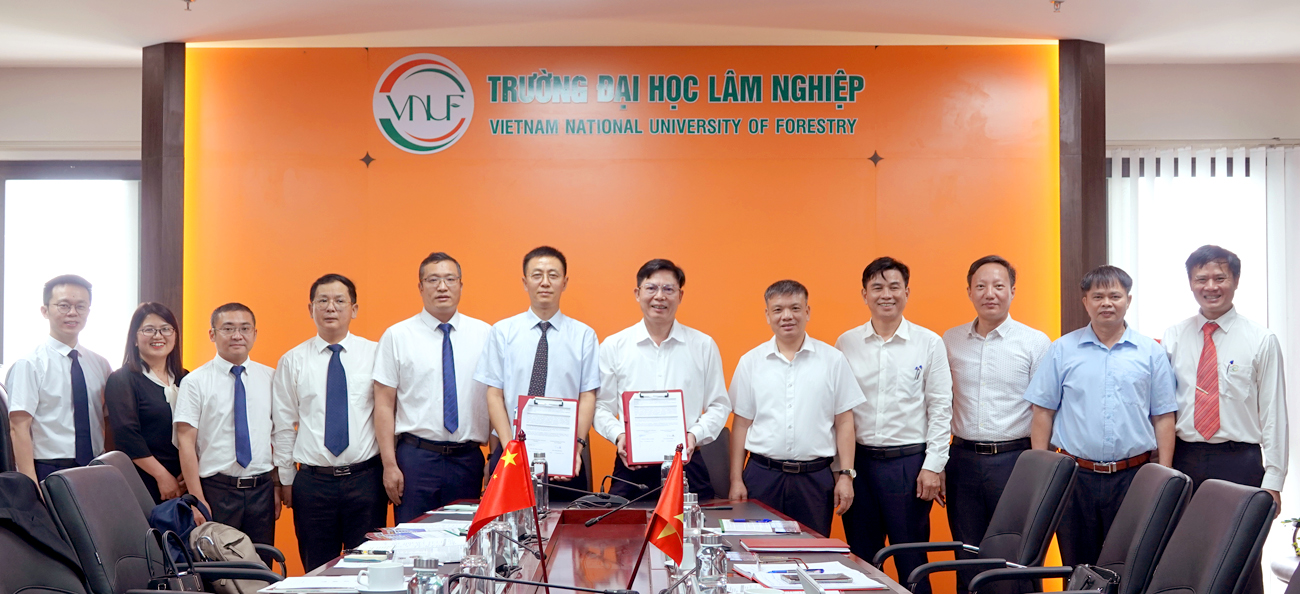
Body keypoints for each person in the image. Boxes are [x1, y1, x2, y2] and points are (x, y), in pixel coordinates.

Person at [1025, 265, 1177, 566]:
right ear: (1086, 302)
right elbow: (1042, 412)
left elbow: (1163, 416)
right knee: (1078, 565)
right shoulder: (1062, 349)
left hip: (1135, 476)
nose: (1106, 303)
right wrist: (1043, 472)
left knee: (1130, 564)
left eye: (1114, 296)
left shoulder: (1151, 352)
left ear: (1128, 300)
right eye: (1097, 297)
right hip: (1074, 477)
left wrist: (1164, 474)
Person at [1163, 245, 1287, 594]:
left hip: (1239, 462)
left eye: (1220, 278)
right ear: (1190, 283)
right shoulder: (1173, 336)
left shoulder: (1261, 339)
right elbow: (1162, 407)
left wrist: (1274, 481)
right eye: (1201, 278)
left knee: (1241, 560)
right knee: (1187, 559)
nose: (1210, 286)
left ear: (1235, 280)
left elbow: (1274, 414)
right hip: (1185, 460)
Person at [836, 257, 952, 594]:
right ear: (864, 294)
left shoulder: (928, 342)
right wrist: (841, 470)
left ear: (907, 292)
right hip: (860, 465)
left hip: (909, 467)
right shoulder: (846, 343)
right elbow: (839, 411)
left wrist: (933, 466)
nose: (886, 294)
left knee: (912, 563)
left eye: (894, 287)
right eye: (877, 287)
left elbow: (940, 407)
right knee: (861, 561)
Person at [941, 256, 1050, 594]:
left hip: (1016, 461)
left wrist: (1039, 469)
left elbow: (1043, 410)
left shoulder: (1035, 342)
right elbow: (941, 403)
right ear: (969, 292)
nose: (990, 293)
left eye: (999, 286)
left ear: (1013, 291)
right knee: (967, 553)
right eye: (981, 286)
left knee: (1017, 557)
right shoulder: (950, 340)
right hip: (962, 460)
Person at [728, 280, 863, 538]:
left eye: (795, 308)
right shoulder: (751, 362)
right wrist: (736, 480)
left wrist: (846, 475)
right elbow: (741, 424)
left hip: (814, 479)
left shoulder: (832, 360)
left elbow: (845, 421)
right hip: (762, 476)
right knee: (757, 551)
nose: (787, 316)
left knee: (812, 551)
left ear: (807, 312)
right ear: (767, 315)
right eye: (778, 310)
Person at [272, 274, 385, 571]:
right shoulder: (293, 360)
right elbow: (283, 425)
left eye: (339, 301)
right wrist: (286, 479)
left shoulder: (375, 354)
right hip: (313, 483)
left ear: (354, 309)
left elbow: (388, 415)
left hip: (366, 479)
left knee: (369, 569)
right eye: (322, 300)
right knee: (317, 569)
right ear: (311, 308)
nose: (330, 307)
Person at [594, 259, 731, 500]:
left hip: (687, 461)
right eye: (651, 288)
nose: (660, 296)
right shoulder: (614, 346)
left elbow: (719, 405)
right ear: (637, 293)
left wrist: (694, 435)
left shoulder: (703, 345)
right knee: (621, 523)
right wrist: (620, 435)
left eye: (668, 289)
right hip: (632, 465)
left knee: (695, 522)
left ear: (680, 295)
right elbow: (601, 406)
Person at [374, 253, 491, 524]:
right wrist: (389, 464)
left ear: (461, 285)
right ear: (420, 286)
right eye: (433, 280)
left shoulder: (485, 334)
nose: (442, 287)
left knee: (466, 540)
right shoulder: (398, 336)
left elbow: (495, 399)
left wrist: (494, 460)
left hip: (467, 459)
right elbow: (383, 404)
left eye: (450, 279)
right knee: (412, 540)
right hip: (416, 460)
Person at [476, 246, 599, 499]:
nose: (545, 282)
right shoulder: (503, 332)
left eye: (553, 275)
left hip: (564, 454)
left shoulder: (584, 335)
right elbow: (494, 394)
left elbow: (587, 395)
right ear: (525, 282)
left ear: (564, 282)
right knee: (510, 521)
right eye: (537, 275)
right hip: (511, 450)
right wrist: (511, 449)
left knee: (565, 522)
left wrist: (576, 448)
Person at [175, 303, 279, 545]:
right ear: (212, 334)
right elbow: (186, 443)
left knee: (261, 562)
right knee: (219, 565)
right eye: (228, 328)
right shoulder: (195, 381)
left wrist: (275, 485)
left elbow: (277, 436)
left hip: (261, 490)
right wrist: (197, 499)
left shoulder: (271, 378)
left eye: (245, 328)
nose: (237, 335)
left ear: (255, 333)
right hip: (216, 491)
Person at [7, 274, 112, 482]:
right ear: (45, 311)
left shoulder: (100, 364)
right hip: (49, 469)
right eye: (63, 306)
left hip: (95, 466)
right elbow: (18, 428)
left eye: (80, 306)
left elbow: (107, 420)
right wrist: (31, 484)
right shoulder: (29, 364)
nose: (72, 313)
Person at [105, 302, 189, 503]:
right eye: (149, 330)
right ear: (134, 339)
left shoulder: (186, 378)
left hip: (186, 480)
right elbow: (127, 435)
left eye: (166, 329)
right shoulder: (122, 379)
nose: (158, 336)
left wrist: (191, 472)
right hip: (144, 479)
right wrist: (162, 476)